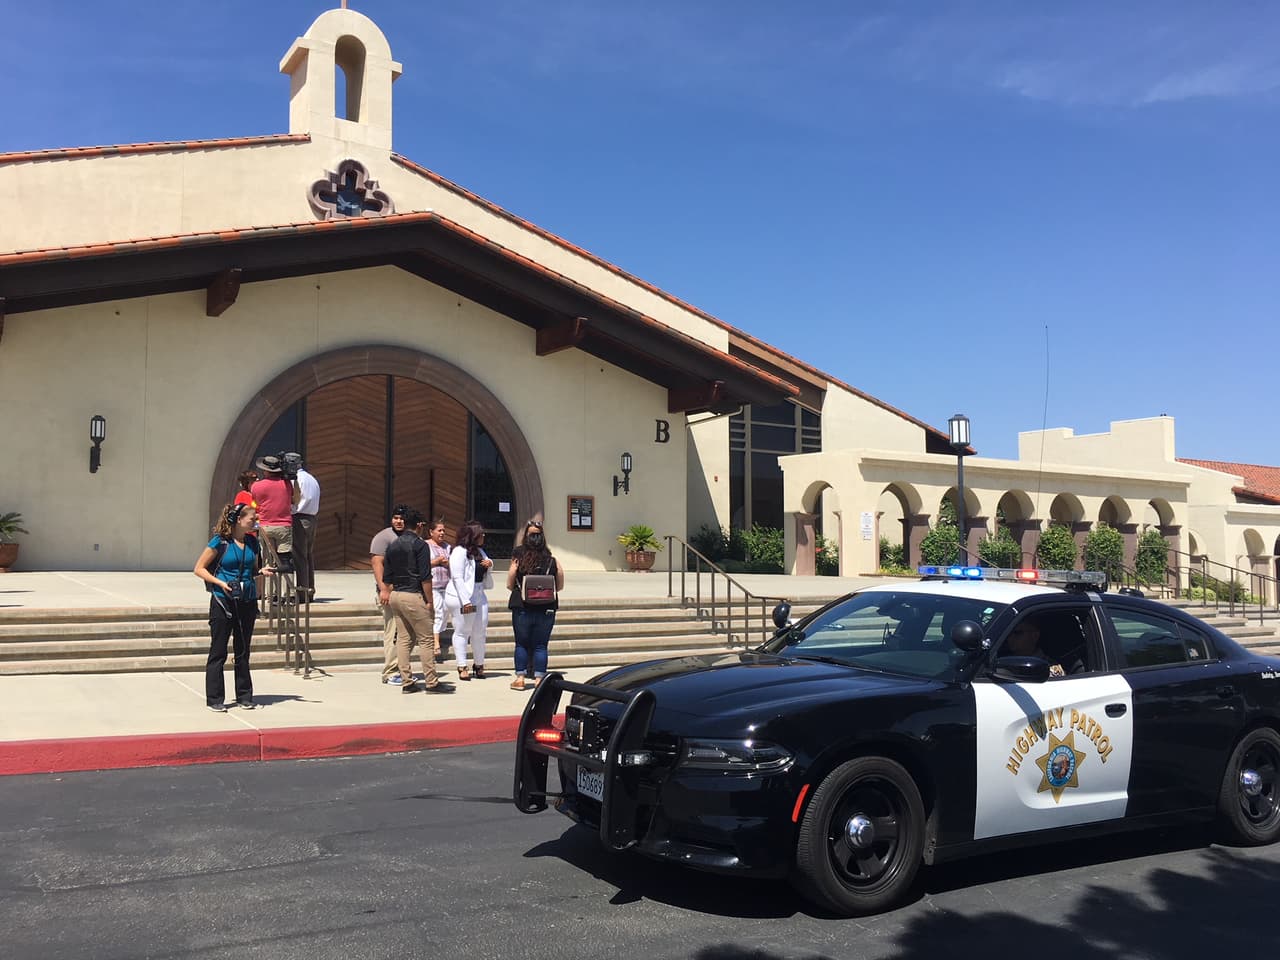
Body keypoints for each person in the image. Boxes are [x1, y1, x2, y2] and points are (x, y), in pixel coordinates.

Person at [194, 503, 275, 712]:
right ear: (239, 520)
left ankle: (245, 695)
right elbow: (199, 569)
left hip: (246, 600)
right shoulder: (220, 542)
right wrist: (220, 583)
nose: (255, 520)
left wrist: (262, 571)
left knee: (243, 650)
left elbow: (253, 568)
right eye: (251, 518)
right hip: (223, 600)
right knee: (218, 650)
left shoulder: (252, 541)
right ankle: (215, 698)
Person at [383, 509, 450, 693]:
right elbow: (425, 576)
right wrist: (429, 602)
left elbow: (387, 576)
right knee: (426, 639)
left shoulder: (393, 545)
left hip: (396, 594)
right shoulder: (420, 545)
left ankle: (407, 681)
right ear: (419, 525)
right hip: (413, 594)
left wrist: (390, 593)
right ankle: (431, 682)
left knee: (404, 640)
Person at [507, 519, 564, 690]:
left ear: (526, 537)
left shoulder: (518, 555)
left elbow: (510, 582)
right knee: (541, 645)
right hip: (546, 607)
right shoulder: (550, 559)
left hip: (523, 606)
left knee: (521, 643)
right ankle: (539, 678)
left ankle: (520, 678)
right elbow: (559, 585)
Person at [445, 520, 492, 680]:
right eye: (481, 533)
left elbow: (485, 568)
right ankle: (462, 665)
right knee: (463, 630)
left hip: (479, 595)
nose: (484, 536)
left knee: (480, 630)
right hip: (463, 597)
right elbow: (457, 577)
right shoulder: (459, 551)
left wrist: (489, 564)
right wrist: (465, 600)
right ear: (472, 535)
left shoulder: (479, 551)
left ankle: (479, 664)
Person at [370, 506, 408, 686]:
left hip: (406, 592)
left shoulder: (408, 536)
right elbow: (377, 563)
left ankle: (401, 669)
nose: (399, 521)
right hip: (389, 593)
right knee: (392, 633)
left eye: (402, 518)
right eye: (396, 518)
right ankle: (390, 672)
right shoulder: (383, 537)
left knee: (403, 634)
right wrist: (383, 589)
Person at [249, 455, 299, 574]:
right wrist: (293, 479)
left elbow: (256, 503)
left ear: (266, 470)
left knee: (267, 561)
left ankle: (268, 591)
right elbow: (296, 499)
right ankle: (284, 590)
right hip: (284, 525)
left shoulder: (256, 486)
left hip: (265, 525)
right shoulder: (287, 484)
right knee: (285, 562)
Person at [287, 452, 321, 601]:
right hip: (311, 518)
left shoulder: (296, 479)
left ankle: (302, 593)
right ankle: (309, 590)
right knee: (308, 555)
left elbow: (295, 500)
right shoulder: (311, 478)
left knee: (299, 556)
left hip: (299, 518)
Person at [1004, 617, 1081, 678]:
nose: (1010, 637)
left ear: (1035, 636)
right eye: (1009, 632)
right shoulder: (1000, 660)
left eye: (1017, 633)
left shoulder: (1050, 669)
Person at [426, 519, 451, 661]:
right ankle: (436, 643)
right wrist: (435, 562)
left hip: (446, 585)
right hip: (432, 585)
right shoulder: (425, 545)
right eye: (439, 530)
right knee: (438, 612)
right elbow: (420, 564)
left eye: (443, 531)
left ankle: (436, 635)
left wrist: (448, 564)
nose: (442, 533)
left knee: (445, 612)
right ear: (431, 532)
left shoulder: (447, 547)